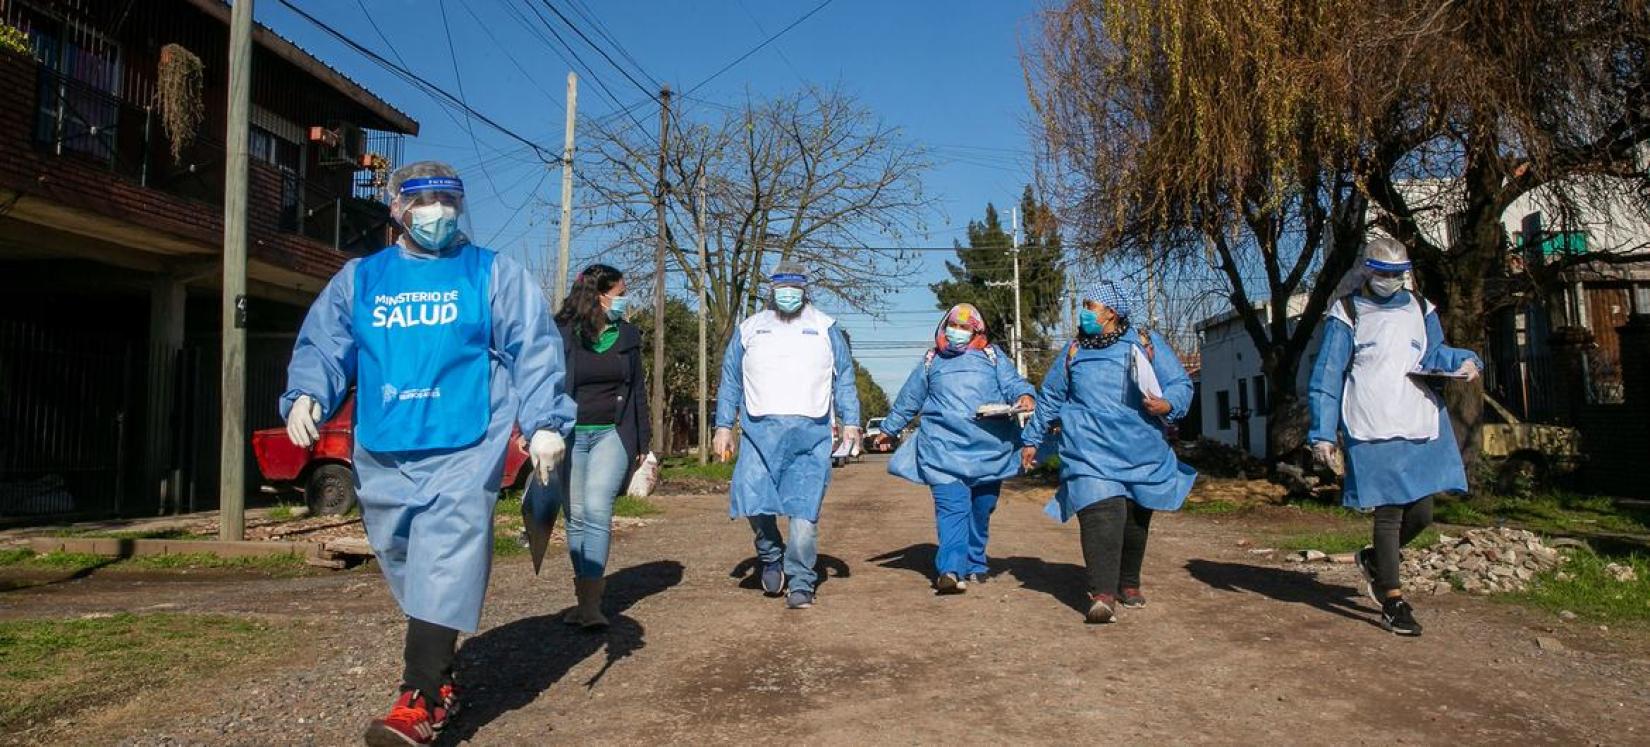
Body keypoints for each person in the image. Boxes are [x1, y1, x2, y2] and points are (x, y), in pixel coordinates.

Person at [280, 161, 575, 746]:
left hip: (467, 437)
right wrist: (308, 393)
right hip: (386, 441)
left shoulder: (492, 274)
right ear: (396, 209)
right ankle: (438, 665)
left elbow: (534, 346)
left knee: (446, 554)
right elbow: (327, 341)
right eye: (423, 200)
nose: (437, 210)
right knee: (406, 558)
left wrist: (545, 422)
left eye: (448, 199)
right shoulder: (361, 278)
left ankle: (422, 695)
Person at [1307, 237, 1481, 637]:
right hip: (1370, 423)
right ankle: (1394, 600)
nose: (1392, 281)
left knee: (1422, 512)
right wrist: (1322, 434)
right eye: (1384, 274)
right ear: (1368, 272)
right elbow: (1328, 375)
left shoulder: (1422, 308)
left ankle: (1374, 560)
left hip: (1418, 418)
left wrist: (1465, 360)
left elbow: (1435, 353)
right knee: (1389, 512)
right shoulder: (1347, 312)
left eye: (1399, 274)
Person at [1020, 281, 1196, 624]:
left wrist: (1167, 403)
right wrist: (1031, 439)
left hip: (1139, 448)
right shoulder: (1073, 351)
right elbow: (1052, 396)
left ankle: (1128, 582)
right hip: (1088, 450)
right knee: (1101, 511)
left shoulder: (1146, 343)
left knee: (1134, 517)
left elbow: (1181, 384)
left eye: (1090, 306)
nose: (1083, 313)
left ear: (1111, 313)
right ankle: (1102, 594)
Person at [713, 262, 860, 610]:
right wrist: (723, 426)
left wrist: (851, 422)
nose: (789, 292)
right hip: (758, 433)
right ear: (772, 289)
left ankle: (802, 581)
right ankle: (769, 555)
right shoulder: (749, 328)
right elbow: (731, 379)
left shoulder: (825, 327)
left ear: (805, 289)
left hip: (810, 435)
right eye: (783, 286)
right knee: (752, 500)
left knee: (803, 516)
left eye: (795, 286)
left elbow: (846, 377)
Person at [525, 264, 650, 630]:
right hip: (571, 435)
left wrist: (643, 441)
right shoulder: (562, 333)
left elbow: (638, 389)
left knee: (597, 508)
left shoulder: (627, 335)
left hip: (613, 433)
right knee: (575, 515)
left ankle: (594, 606)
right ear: (600, 295)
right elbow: (543, 384)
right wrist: (533, 427)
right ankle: (584, 601)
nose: (624, 299)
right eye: (620, 292)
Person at [881, 304, 1035, 593]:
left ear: (978, 331)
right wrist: (888, 429)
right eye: (953, 325)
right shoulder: (931, 360)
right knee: (952, 507)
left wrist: (1025, 395)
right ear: (943, 326)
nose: (957, 332)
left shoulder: (992, 356)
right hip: (942, 449)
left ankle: (975, 561)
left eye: (965, 327)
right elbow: (909, 398)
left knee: (981, 507)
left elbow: (1014, 383)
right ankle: (950, 569)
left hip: (990, 449)